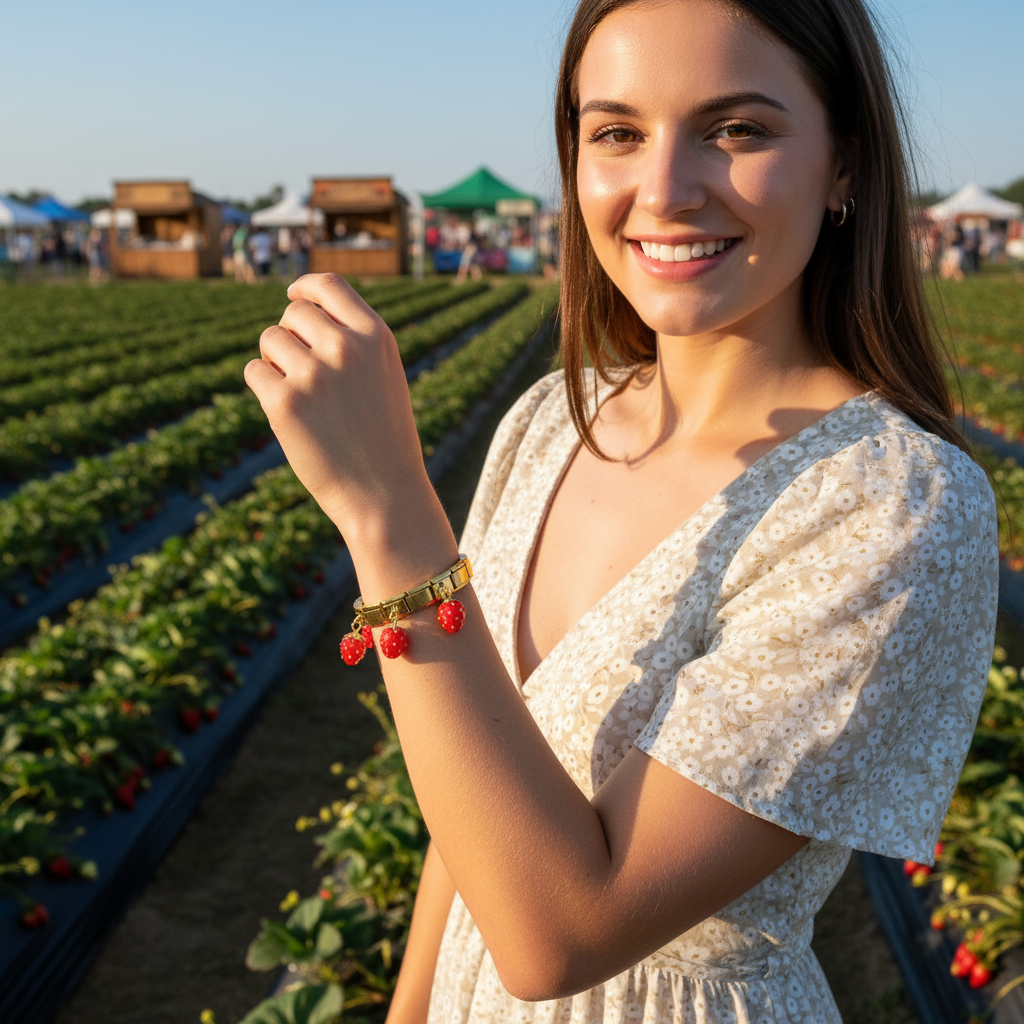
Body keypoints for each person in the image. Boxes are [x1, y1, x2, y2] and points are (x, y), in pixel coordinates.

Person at [245, 1, 998, 1021]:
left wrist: (389, 520)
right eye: (615, 132)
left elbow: (560, 933)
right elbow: (472, 790)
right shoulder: (553, 415)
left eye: (737, 130)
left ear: (845, 167)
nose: (663, 190)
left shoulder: (893, 504)